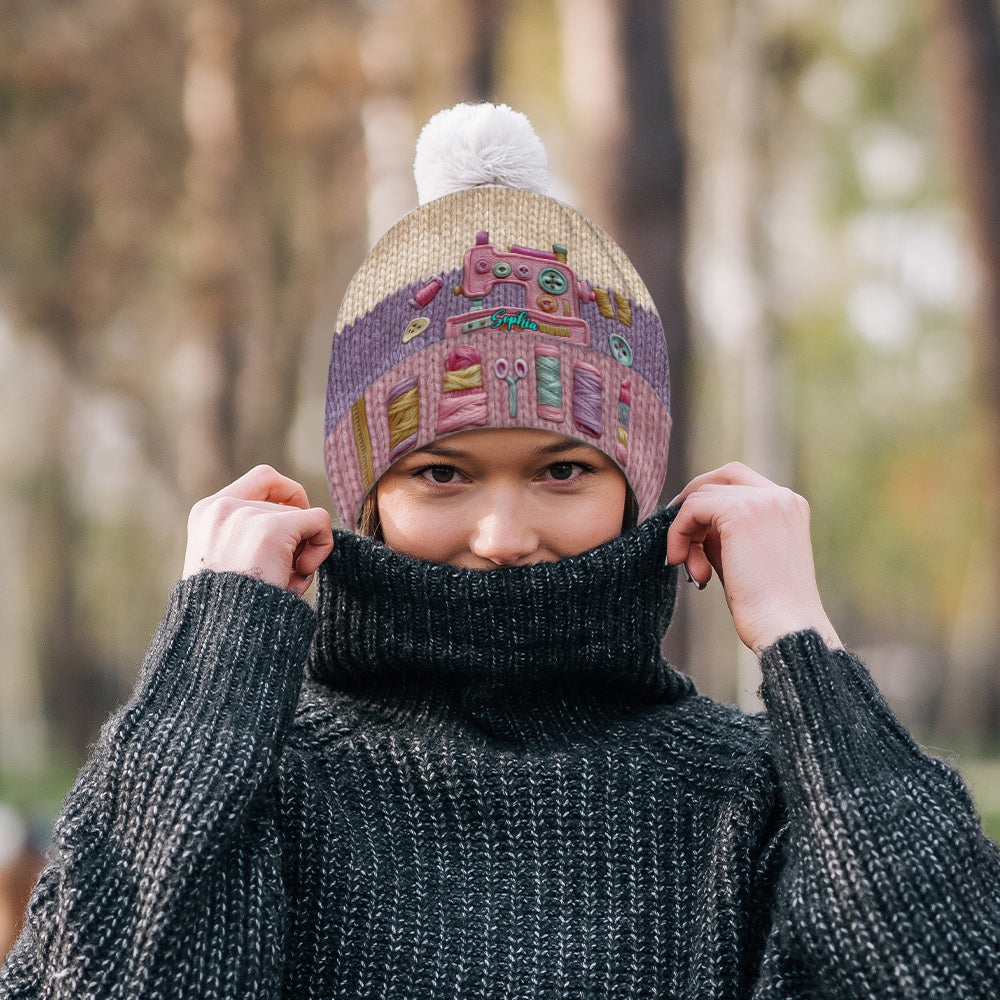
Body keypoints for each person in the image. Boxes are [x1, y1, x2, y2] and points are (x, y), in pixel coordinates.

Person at [2, 102, 998, 1000]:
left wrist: (803, 644)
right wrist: (201, 685)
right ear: (366, 496)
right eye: (441, 473)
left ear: (633, 488)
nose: (505, 534)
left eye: (563, 469)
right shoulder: (260, 783)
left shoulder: (749, 797)